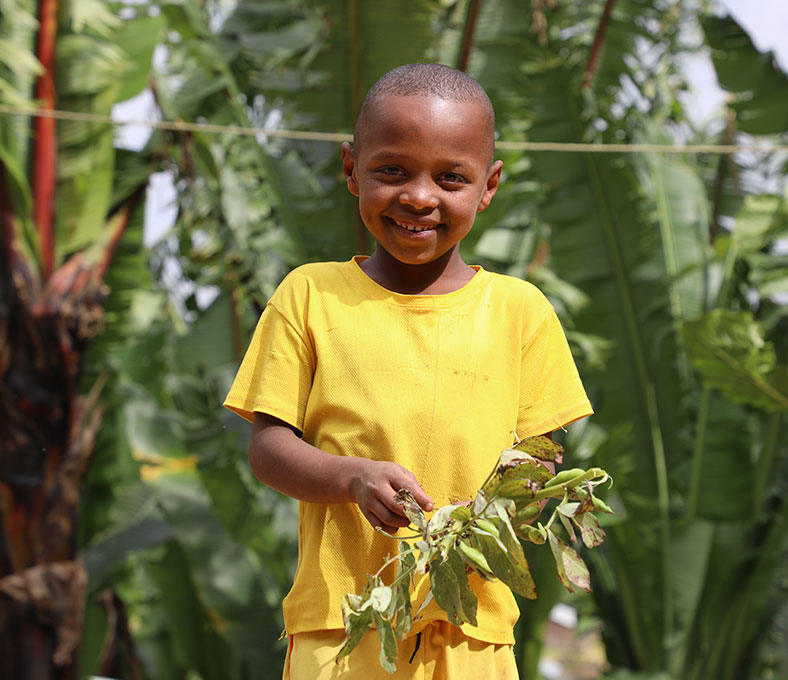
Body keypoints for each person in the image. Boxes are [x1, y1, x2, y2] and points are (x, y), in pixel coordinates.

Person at [223, 63, 593, 679]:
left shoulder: (520, 311)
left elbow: (541, 454)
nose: (419, 196)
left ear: (489, 186)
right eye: (392, 171)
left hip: (471, 628)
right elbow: (267, 448)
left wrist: (506, 499)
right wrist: (352, 478)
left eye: (451, 178)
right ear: (351, 170)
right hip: (342, 625)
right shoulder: (309, 295)